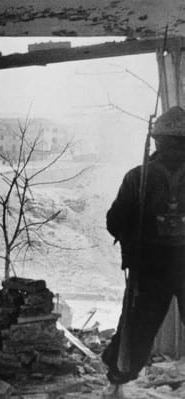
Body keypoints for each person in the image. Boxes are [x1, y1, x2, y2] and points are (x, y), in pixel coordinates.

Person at [102, 106, 185, 397]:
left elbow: (115, 222)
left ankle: (117, 380)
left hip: (153, 263)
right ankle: (117, 383)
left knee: (136, 329)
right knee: (135, 329)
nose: (174, 150)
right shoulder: (137, 177)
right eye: (172, 144)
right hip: (153, 263)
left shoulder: (138, 176)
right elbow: (116, 222)